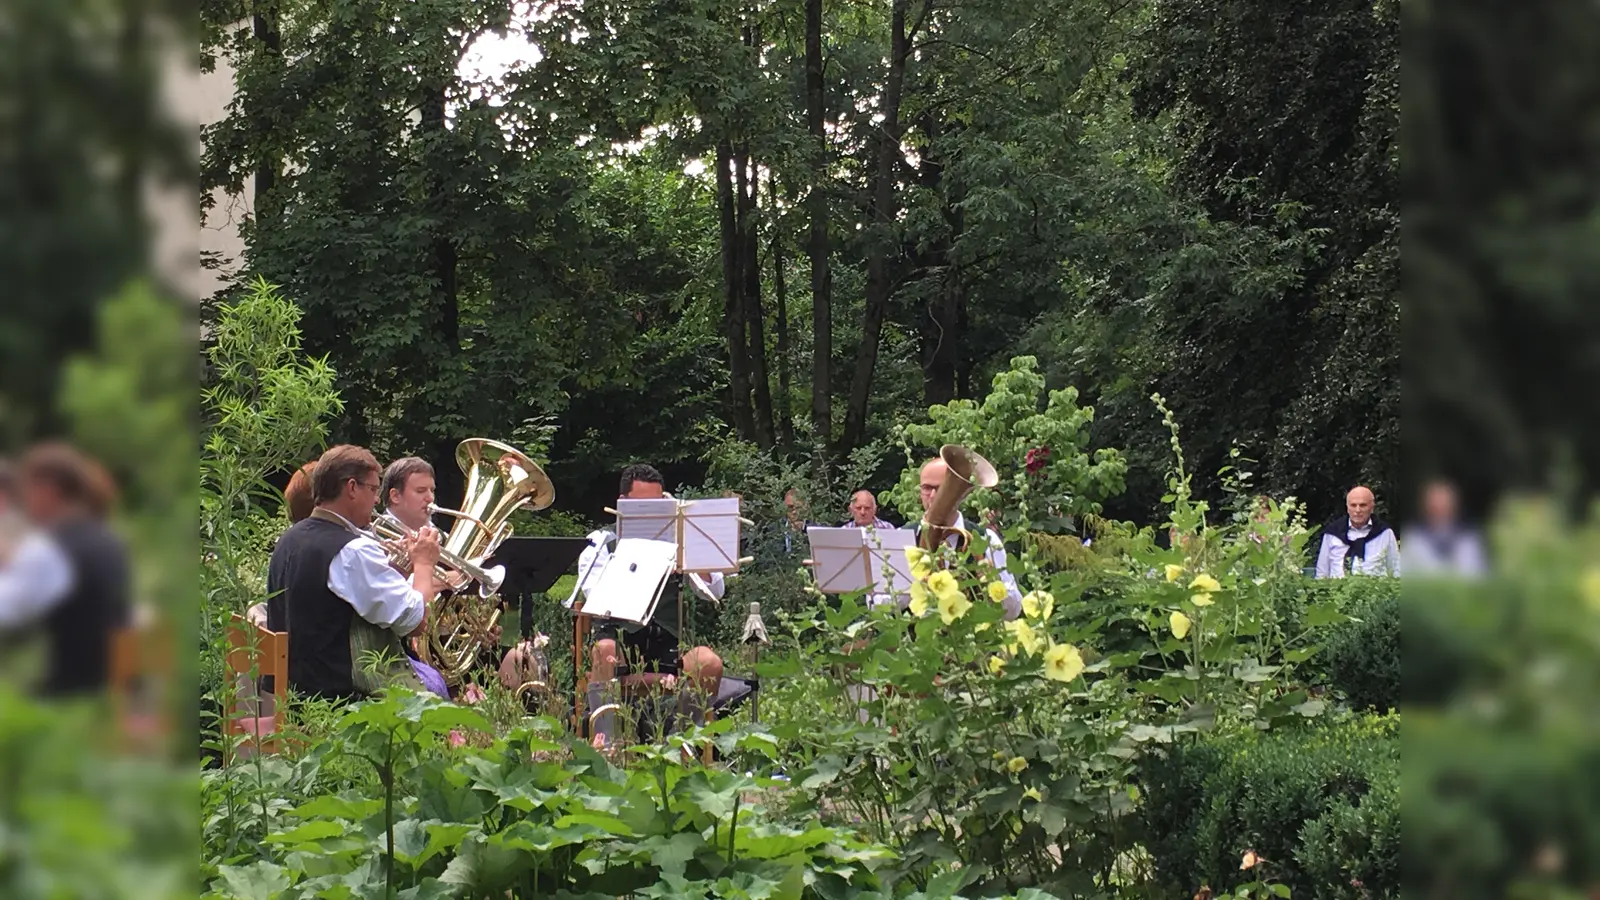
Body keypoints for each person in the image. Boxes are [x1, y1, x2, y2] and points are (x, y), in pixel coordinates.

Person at [266, 444, 443, 701]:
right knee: (443, 705)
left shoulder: (290, 538)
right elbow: (415, 623)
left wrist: (398, 570)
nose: (375, 499)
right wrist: (424, 564)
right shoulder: (353, 550)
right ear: (351, 488)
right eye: (373, 489)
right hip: (344, 702)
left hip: (297, 697)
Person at [584, 465, 725, 736]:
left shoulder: (678, 542)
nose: (652, 513)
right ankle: (607, 744)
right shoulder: (601, 542)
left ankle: (684, 743)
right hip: (621, 642)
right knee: (604, 650)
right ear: (623, 504)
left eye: (658, 505)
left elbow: (714, 590)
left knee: (709, 662)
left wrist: (690, 547)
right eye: (643, 506)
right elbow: (593, 595)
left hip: (671, 644)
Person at [0, 443, 130, 697]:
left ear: (47, 491)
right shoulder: (107, 538)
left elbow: (7, 610)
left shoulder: (50, 548)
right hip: (109, 691)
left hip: (69, 698)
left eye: (27, 490)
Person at [915, 457, 1022, 620]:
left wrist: (994, 582)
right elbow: (879, 604)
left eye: (942, 488)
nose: (933, 496)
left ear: (962, 495)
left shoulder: (986, 539)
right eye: (927, 488)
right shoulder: (903, 537)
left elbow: (1013, 612)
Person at [1403, 479, 1486, 577]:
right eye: (1434, 506)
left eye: (1444, 504)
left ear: (1454, 506)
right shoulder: (1413, 540)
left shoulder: (1469, 540)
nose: (1439, 509)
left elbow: (1479, 577)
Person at [1314, 485, 1401, 578]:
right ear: (1347, 508)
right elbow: (1321, 574)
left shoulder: (1385, 533)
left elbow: (1396, 570)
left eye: (1363, 505)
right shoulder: (1332, 534)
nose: (1358, 510)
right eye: (1353, 505)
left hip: (1375, 590)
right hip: (1338, 590)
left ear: (1372, 508)